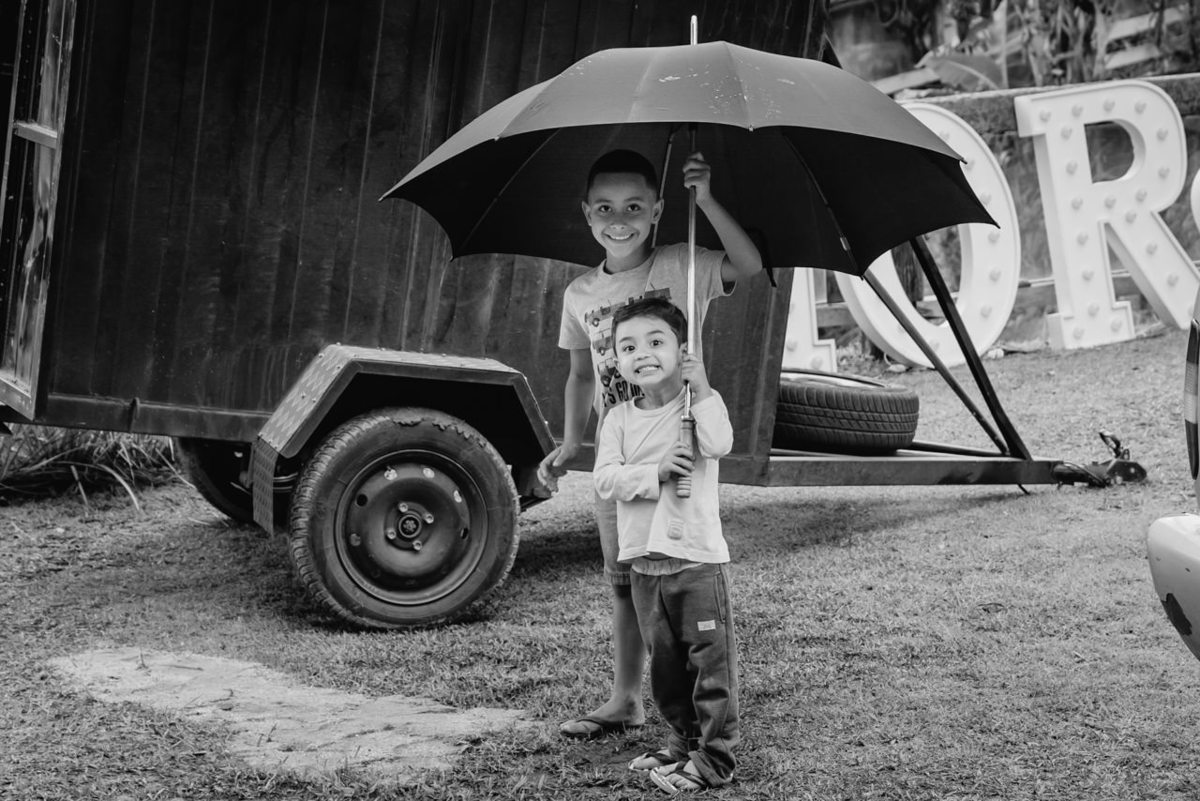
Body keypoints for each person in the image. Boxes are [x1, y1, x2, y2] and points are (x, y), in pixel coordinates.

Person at [536, 148, 760, 739]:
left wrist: (706, 200)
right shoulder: (580, 294)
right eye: (605, 207)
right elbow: (582, 375)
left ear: (658, 210)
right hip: (622, 453)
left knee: (685, 579)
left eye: (635, 206)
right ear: (586, 214)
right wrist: (571, 441)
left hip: (680, 443)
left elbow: (750, 265)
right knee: (626, 580)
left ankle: (696, 704)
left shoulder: (683, 262)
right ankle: (626, 699)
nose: (620, 217)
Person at [593, 296, 738, 793]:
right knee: (666, 667)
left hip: (696, 561)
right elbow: (605, 481)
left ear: (682, 351)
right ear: (616, 359)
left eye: (657, 342)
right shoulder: (618, 420)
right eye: (628, 346)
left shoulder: (697, 407)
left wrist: (705, 389)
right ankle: (682, 744)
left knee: (708, 664)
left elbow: (720, 445)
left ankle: (714, 759)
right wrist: (653, 473)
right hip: (645, 564)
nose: (643, 353)